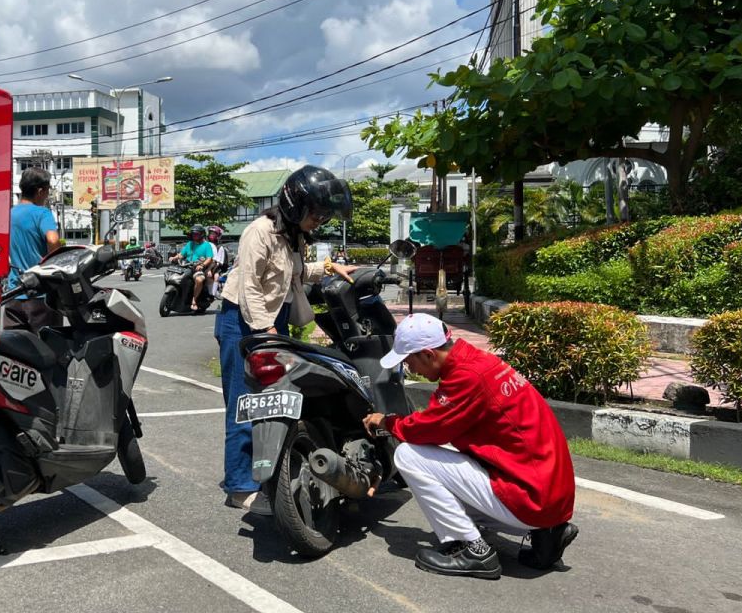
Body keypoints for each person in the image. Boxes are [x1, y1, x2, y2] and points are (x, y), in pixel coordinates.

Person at [363, 313, 577, 580]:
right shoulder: (480, 361)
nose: (411, 370)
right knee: (449, 467)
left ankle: (473, 551)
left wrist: (387, 421)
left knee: (409, 455)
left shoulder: (466, 378)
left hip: (529, 498)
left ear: (429, 354)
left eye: (410, 361)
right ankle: (548, 535)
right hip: (550, 496)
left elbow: (423, 430)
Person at [215, 165, 357, 514]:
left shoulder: (294, 236)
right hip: (242, 321)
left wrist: (328, 268)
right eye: (317, 213)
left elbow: (292, 274)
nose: (319, 220)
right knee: (245, 403)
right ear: (296, 205)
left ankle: (270, 474)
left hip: (272, 318)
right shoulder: (259, 231)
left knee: (278, 401)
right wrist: (265, 329)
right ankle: (238, 487)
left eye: (324, 215)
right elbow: (249, 286)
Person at [4, 167, 62, 331]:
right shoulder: (42, 213)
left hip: (13, 294)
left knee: (18, 351)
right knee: (49, 350)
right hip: (40, 296)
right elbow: (52, 239)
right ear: (40, 191)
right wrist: (58, 263)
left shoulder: (9, 214)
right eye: (47, 190)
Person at [174, 224, 215, 311]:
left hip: (198, 268)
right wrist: (175, 257)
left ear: (201, 234)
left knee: (199, 280)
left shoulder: (207, 245)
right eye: (193, 234)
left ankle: (194, 300)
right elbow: (182, 254)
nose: (194, 236)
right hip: (187, 266)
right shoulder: (189, 244)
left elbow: (209, 258)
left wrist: (202, 265)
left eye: (196, 234)